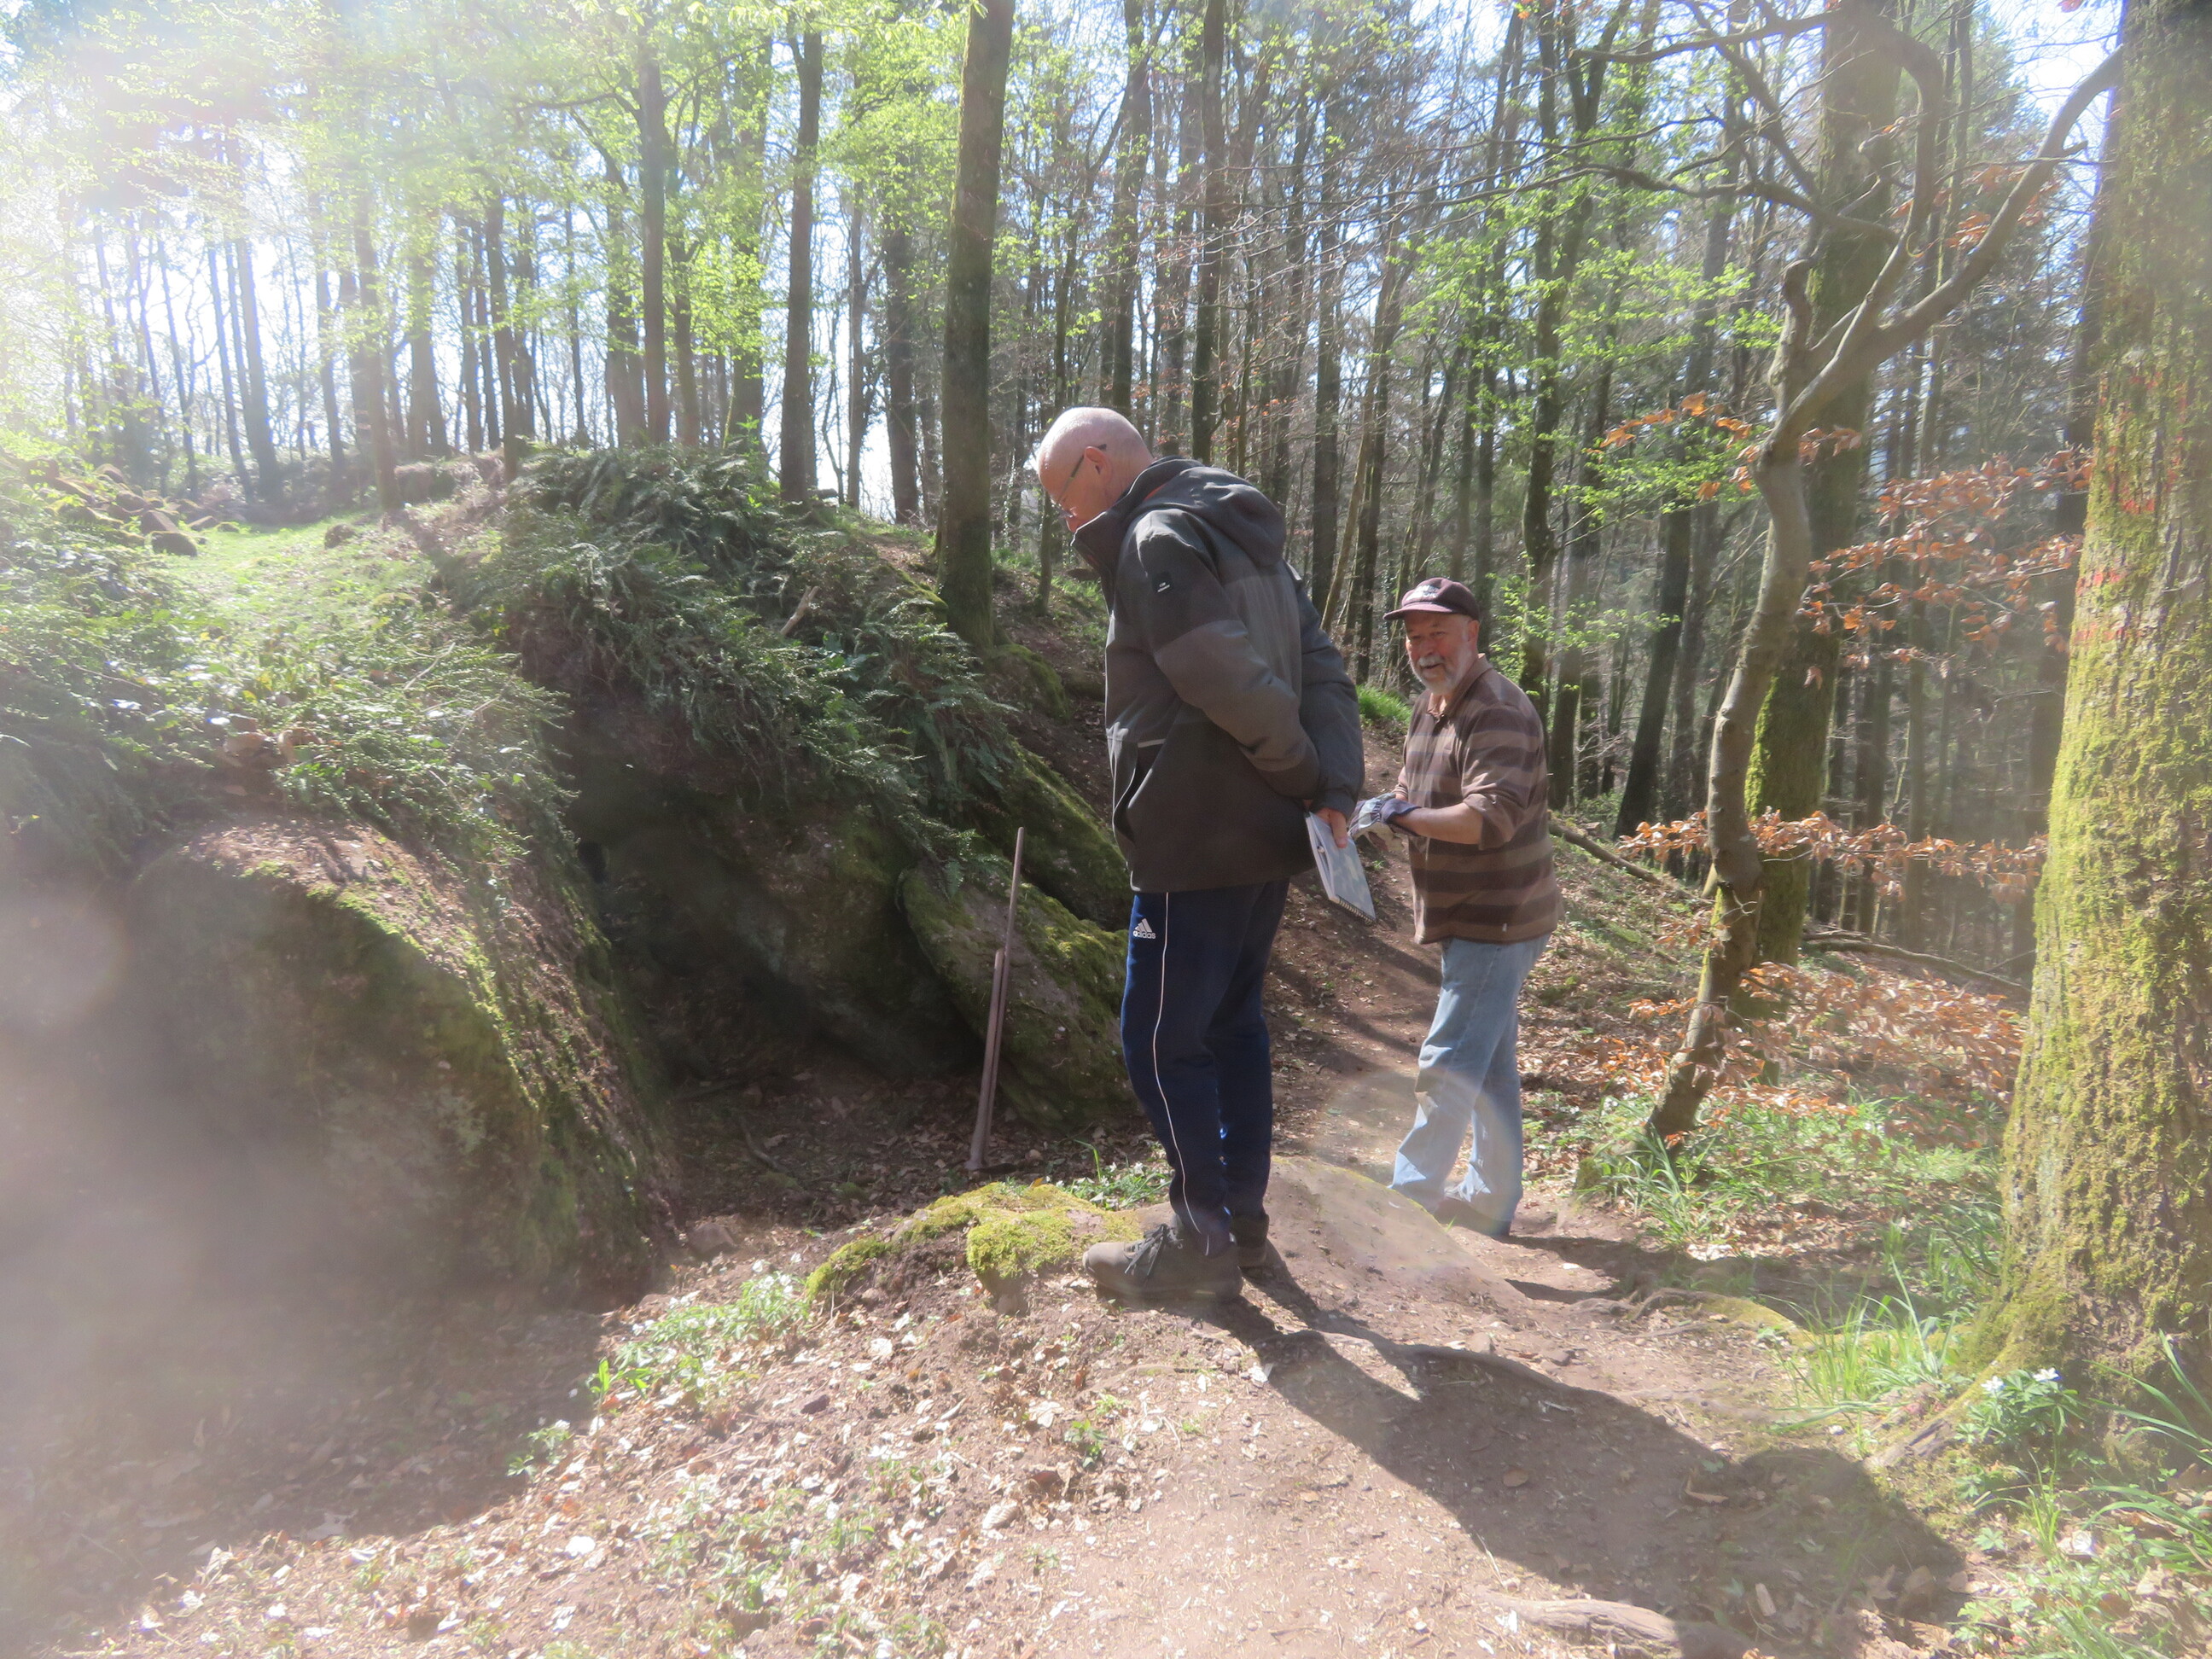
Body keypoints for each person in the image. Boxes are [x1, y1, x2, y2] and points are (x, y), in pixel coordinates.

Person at [1031, 406, 1363, 1301]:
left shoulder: (1159, 537)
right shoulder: (1243, 533)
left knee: (1159, 1040)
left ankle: (1199, 1240)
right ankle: (1239, 1222)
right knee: (1233, 1026)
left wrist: (1303, 771)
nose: (1066, 519)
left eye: (1062, 496)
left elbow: (1221, 674)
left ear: (1096, 462)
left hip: (1196, 831)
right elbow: (1323, 665)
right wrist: (1331, 784)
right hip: (1263, 836)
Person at [1375, 577, 1561, 1237]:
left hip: (1499, 918)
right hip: (1469, 914)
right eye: (1414, 636)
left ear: (1472, 634)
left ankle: (1406, 1204)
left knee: (1450, 1064)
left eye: (1438, 633)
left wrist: (1403, 817)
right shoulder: (1431, 705)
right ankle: (1489, 1200)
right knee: (1488, 1066)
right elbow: (1410, 789)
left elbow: (1489, 818)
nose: (1424, 647)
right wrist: (1384, 811)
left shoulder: (1496, 709)